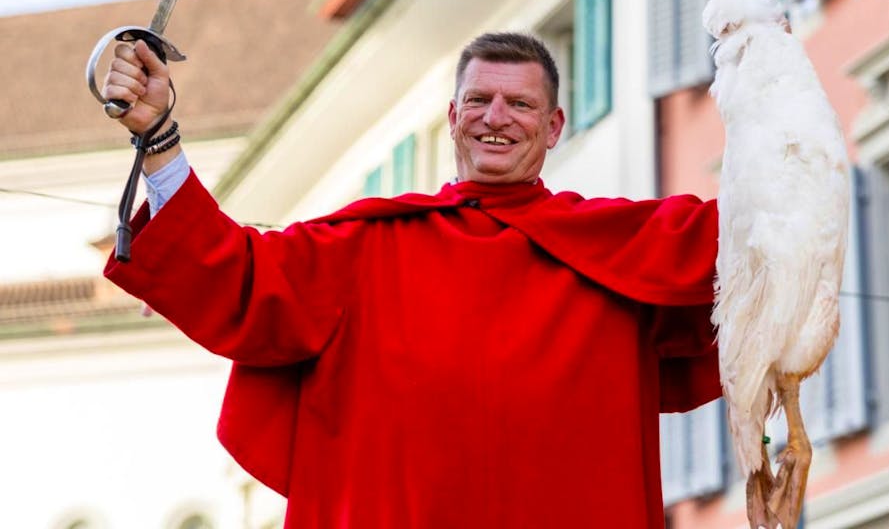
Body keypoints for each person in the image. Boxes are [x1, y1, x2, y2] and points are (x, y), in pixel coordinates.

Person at [101, 32, 721, 529]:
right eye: (479, 100)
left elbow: (768, 244)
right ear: (453, 117)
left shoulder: (627, 244)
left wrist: (776, 85)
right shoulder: (363, 246)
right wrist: (159, 136)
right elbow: (235, 270)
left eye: (521, 104)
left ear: (554, 127)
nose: (495, 118)